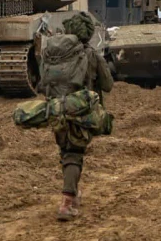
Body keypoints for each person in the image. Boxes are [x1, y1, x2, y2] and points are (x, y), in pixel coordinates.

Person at [37, 13, 114, 221]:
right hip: (79, 111)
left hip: (56, 109)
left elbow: (41, 83)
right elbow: (108, 85)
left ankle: (73, 192)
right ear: (88, 34)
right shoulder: (90, 55)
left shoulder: (52, 54)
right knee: (74, 155)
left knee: (66, 152)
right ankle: (67, 203)